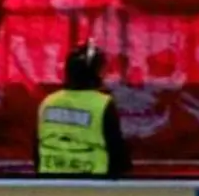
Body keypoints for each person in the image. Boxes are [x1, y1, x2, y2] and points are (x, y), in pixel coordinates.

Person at [35, 41, 130, 177]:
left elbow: (37, 148)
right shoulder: (102, 104)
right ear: (96, 73)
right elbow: (117, 151)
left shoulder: (48, 102)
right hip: (93, 183)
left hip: (50, 182)